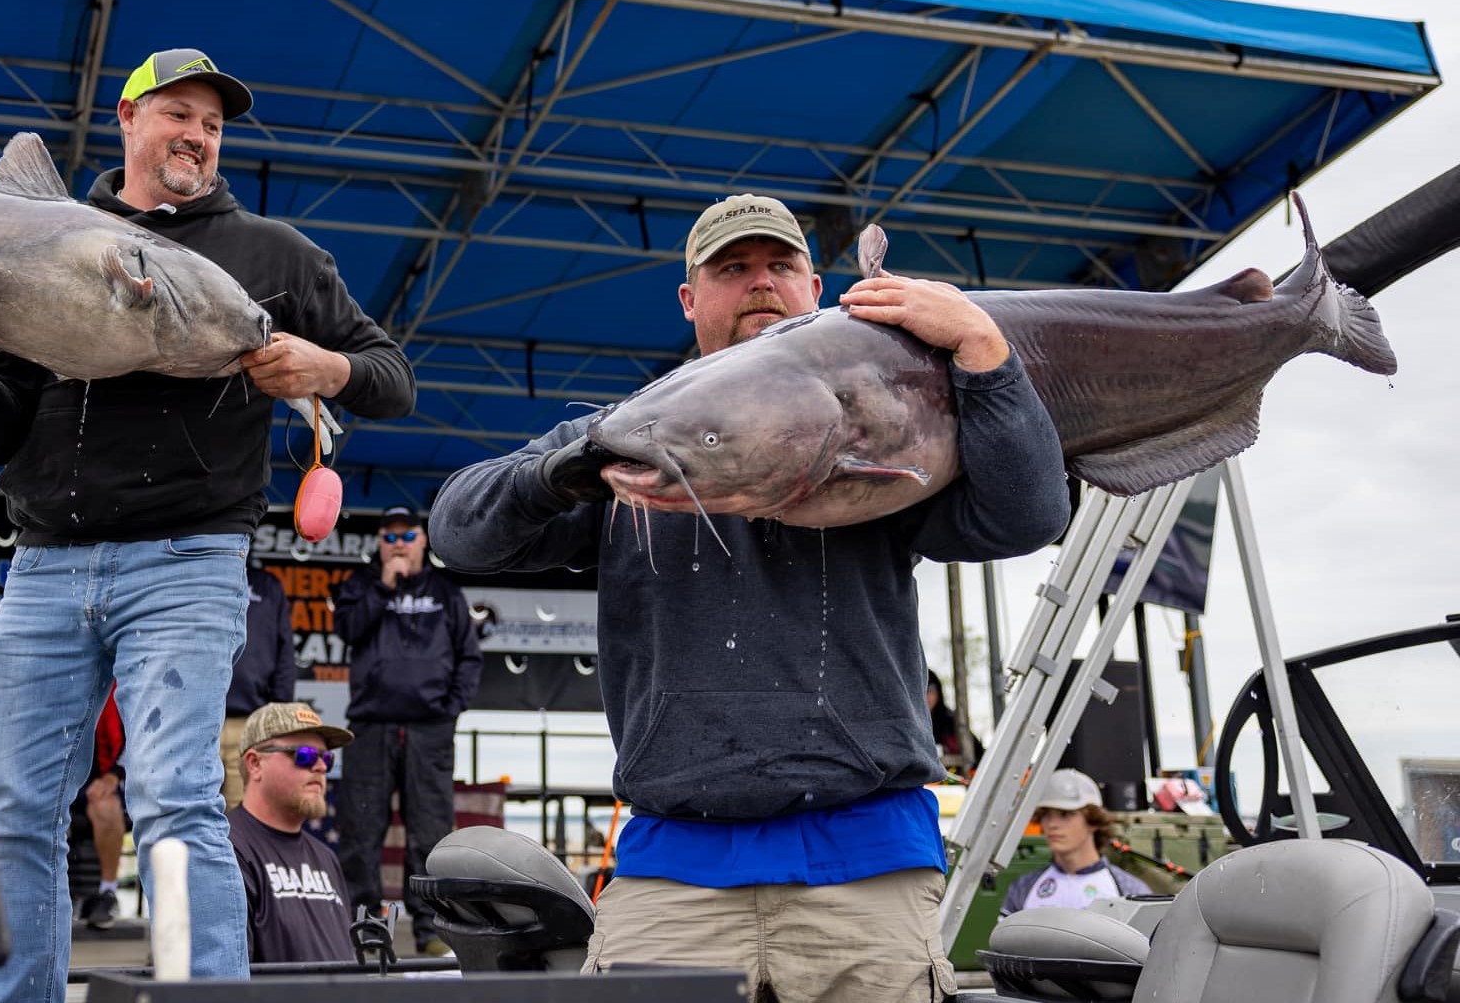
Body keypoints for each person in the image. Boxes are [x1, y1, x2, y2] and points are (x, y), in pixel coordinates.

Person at [429, 194, 1071, 1002]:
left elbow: (1030, 515)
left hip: (865, 865)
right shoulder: (629, 442)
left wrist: (984, 348)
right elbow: (456, 530)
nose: (761, 283)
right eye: (732, 269)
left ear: (816, 287)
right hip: (675, 872)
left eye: (781, 265)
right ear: (690, 301)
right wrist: (557, 475)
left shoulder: (885, 433)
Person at [0, 47, 415, 994]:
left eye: (213, 124)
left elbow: (392, 376)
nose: (198, 136)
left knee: (173, 796)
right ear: (127, 121)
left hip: (189, 560)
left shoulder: (274, 256)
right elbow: (4, 433)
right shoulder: (40, 239)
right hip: (46, 564)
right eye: (177, 113)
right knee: (10, 811)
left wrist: (324, 369)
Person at [331, 505, 482, 957]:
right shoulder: (360, 587)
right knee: (360, 832)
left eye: (407, 535)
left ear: (423, 540)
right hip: (371, 727)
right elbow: (348, 630)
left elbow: (469, 659)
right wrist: (384, 585)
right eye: (389, 536)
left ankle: (431, 930)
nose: (398, 544)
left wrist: (448, 712)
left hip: (427, 730)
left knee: (430, 834)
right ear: (379, 544)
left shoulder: (446, 593)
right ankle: (366, 930)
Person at [227, 702, 359, 963]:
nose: (320, 767)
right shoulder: (226, 847)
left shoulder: (325, 856)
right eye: (305, 755)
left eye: (327, 757)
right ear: (254, 764)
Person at [999, 768, 1151, 917]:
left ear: (1093, 822)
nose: (1052, 824)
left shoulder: (1130, 890)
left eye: (1065, 814)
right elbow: (1003, 942)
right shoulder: (1023, 888)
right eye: (1046, 815)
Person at [223, 566, 298, 806]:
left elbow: (285, 656)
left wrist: (276, 718)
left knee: (242, 809)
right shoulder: (197, 576)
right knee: (192, 808)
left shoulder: (268, 585)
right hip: (198, 720)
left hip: (251, 722)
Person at [77, 684, 128, 931]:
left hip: (105, 778)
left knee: (106, 807)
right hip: (63, 780)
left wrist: (114, 775)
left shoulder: (120, 685)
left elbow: (135, 741)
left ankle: (108, 893)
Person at [926, 668, 984, 772]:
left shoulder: (951, 722)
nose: (926, 696)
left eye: (930, 690)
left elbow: (978, 753)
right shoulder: (909, 723)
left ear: (938, 692)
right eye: (921, 691)